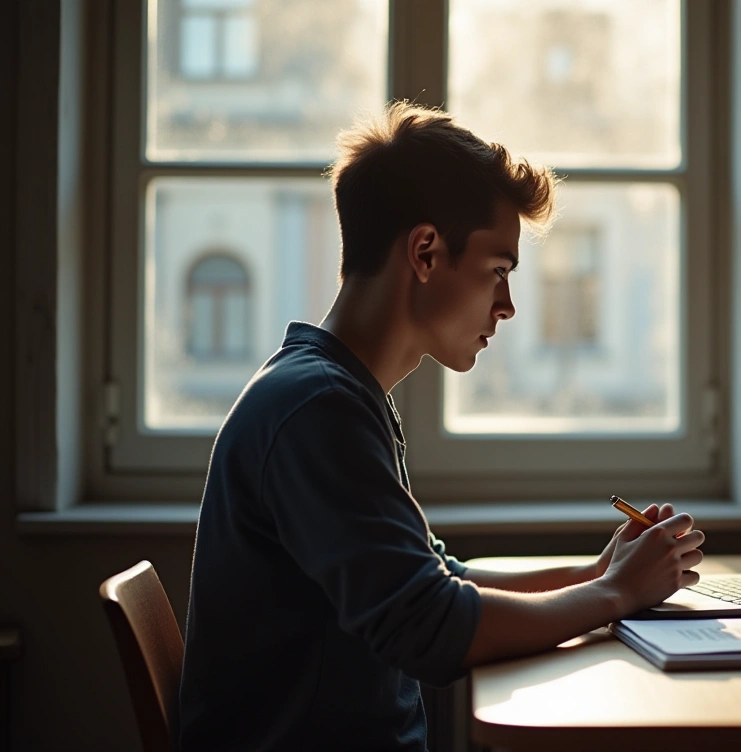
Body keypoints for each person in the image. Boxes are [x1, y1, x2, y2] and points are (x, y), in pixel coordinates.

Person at [177, 102, 706, 751]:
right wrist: (616, 594)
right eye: (498, 271)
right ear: (425, 252)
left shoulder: (337, 394)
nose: (507, 306)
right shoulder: (317, 410)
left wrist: (596, 575)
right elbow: (431, 627)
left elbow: (436, 579)